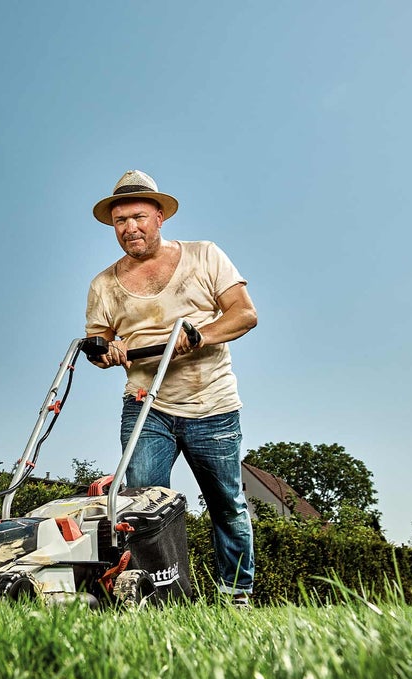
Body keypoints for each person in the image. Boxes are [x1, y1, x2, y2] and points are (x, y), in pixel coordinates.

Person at [85, 170, 258, 607]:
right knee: (141, 506)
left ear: (159, 216)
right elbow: (99, 340)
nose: (130, 229)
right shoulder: (103, 284)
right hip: (147, 407)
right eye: (120, 221)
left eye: (138, 217)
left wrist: (200, 334)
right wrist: (106, 351)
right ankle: (156, 596)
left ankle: (235, 595)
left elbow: (244, 314)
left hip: (211, 403)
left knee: (227, 504)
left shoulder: (204, 256)